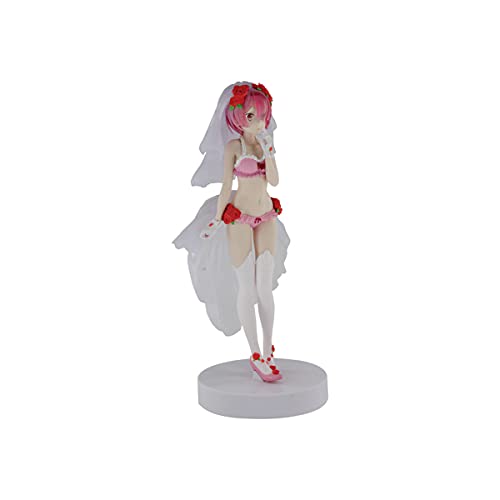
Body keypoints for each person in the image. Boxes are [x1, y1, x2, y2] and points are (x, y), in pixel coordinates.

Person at [172, 82, 291, 382]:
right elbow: (227, 185)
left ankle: (268, 348)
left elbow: (274, 181)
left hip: (266, 214)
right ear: (238, 118)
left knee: (264, 286)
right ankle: (255, 353)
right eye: (251, 116)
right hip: (239, 218)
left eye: (262, 115)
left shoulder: (264, 144)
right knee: (246, 286)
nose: (259, 122)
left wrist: (269, 152)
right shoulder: (233, 148)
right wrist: (216, 218)